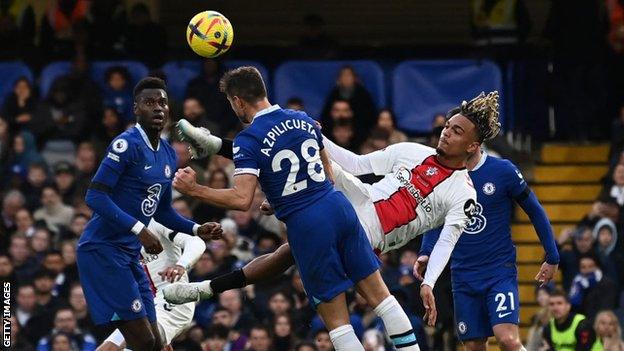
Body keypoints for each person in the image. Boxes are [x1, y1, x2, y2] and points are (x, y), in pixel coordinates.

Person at [170, 67, 421, 351]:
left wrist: (195, 190)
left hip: (308, 225)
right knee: (383, 299)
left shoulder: (248, 139)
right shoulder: (303, 119)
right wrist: (282, 198)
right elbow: (328, 173)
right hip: (339, 208)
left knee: (338, 323)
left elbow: (241, 199)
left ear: (238, 101)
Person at [75, 77, 221, 351]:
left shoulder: (167, 153)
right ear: (136, 109)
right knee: (142, 341)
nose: (158, 108)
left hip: (128, 255)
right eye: (150, 103)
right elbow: (94, 196)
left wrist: (196, 229)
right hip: (103, 250)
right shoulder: (126, 144)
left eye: (162, 103)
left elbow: (164, 210)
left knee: (154, 343)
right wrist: (139, 230)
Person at [415, 142, 559, 351]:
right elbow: (435, 221)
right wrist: (426, 252)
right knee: (473, 346)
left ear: (475, 141)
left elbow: (535, 210)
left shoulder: (503, 170)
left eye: (458, 132)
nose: (449, 137)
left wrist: (552, 255)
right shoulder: (444, 176)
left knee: (507, 339)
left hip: (498, 272)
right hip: (463, 275)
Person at [98, 220, 207, 350]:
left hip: (173, 299)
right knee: (107, 348)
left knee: (137, 344)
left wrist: (181, 264)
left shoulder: (158, 220)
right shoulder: (111, 234)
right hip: (141, 305)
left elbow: (196, 242)